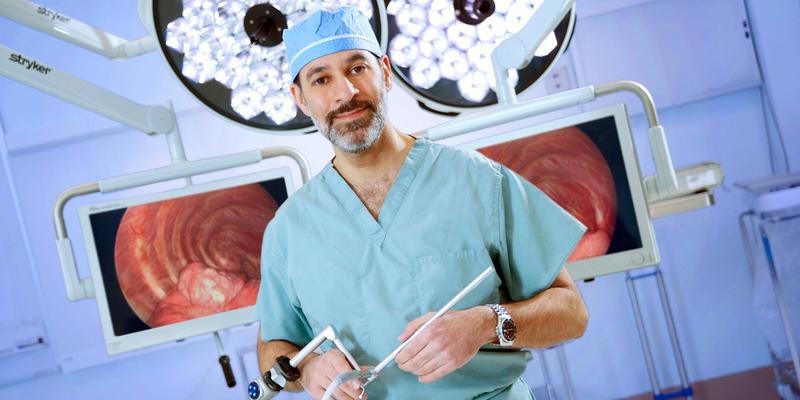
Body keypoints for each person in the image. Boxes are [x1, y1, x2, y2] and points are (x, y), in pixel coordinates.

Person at [255, 6, 589, 400]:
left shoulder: (475, 180)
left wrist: (484, 324)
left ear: (385, 72)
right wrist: (308, 369)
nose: (345, 93)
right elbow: (272, 351)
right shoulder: (289, 231)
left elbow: (571, 313)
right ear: (300, 99)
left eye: (357, 69)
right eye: (321, 79)